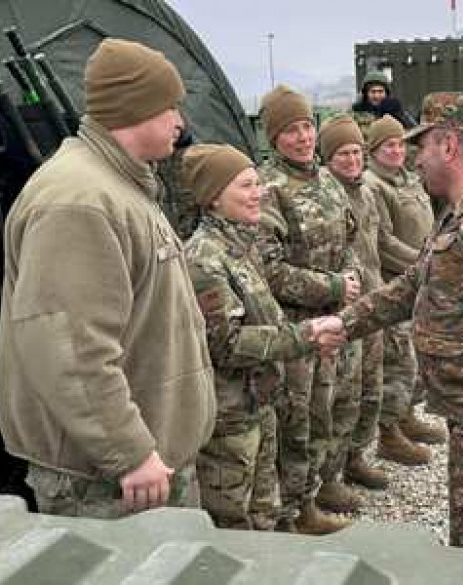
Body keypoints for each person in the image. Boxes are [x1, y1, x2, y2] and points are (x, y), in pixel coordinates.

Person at [314, 92, 463, 552]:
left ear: (448, 145)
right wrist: (345, 325)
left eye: (421, 146)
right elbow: (413, 285)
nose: (415, 159)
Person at [0, 38, 216, 519]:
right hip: (109, 479)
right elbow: (69, 346)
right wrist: (129, 451)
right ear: (136, 108)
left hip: (141, 464)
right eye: (170, 106)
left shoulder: (116, 185)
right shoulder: (80, 201)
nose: (180, 121)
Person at [181, 144, 327, 530]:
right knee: (232, 520)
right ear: (214, 198)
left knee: (264, 510)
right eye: (246, 186)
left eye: (257, 184)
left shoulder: (241, 245)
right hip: (230, 418)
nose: (258, 193)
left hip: (257, 403)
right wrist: (304, 336)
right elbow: (227, 345)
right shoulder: (204, 259)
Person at [257, 84, 361, 534]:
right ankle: (290, 514)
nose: (302, 138)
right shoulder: (268, 189)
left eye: (306, 127)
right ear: (273, 137)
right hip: (296, 330)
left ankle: (315, 492)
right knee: (295, 422)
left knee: (327, 409)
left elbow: (349, 237)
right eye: (290, 130)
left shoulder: (326, 179)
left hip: (333, 321)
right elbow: (270, 270)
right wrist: (334, 285)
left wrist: (350, 276)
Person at [363, 115, 446, 468]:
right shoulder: (373, 186)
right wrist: (423, 262)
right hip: (396, 280)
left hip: (420, 278)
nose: (397, 151)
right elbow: (383, 241)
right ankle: (389, 433)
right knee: (397, 360)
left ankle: (407, 414)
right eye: (388, 145)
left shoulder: (409, 179)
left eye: (400, 144)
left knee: (419, 353)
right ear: (373, 150)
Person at [316, 115, 388, 499]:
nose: (352, 159)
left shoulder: (366, 193)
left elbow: (378, 247)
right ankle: (329, 478)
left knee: (369, 390)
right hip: (344, 310)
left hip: (372, 303)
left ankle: (355, 457)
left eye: (357, 151)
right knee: (341, 396)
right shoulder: (325, 196)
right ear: (328, 158)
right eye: (343, 153)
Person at [351, 70, 415, 139]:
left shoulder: (396, 110)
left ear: (386, 93)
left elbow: (413, 131)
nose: (376, 96)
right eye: (373, 92)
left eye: (380, 92)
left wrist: (395, 115)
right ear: (366, 93)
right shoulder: (356, 114)